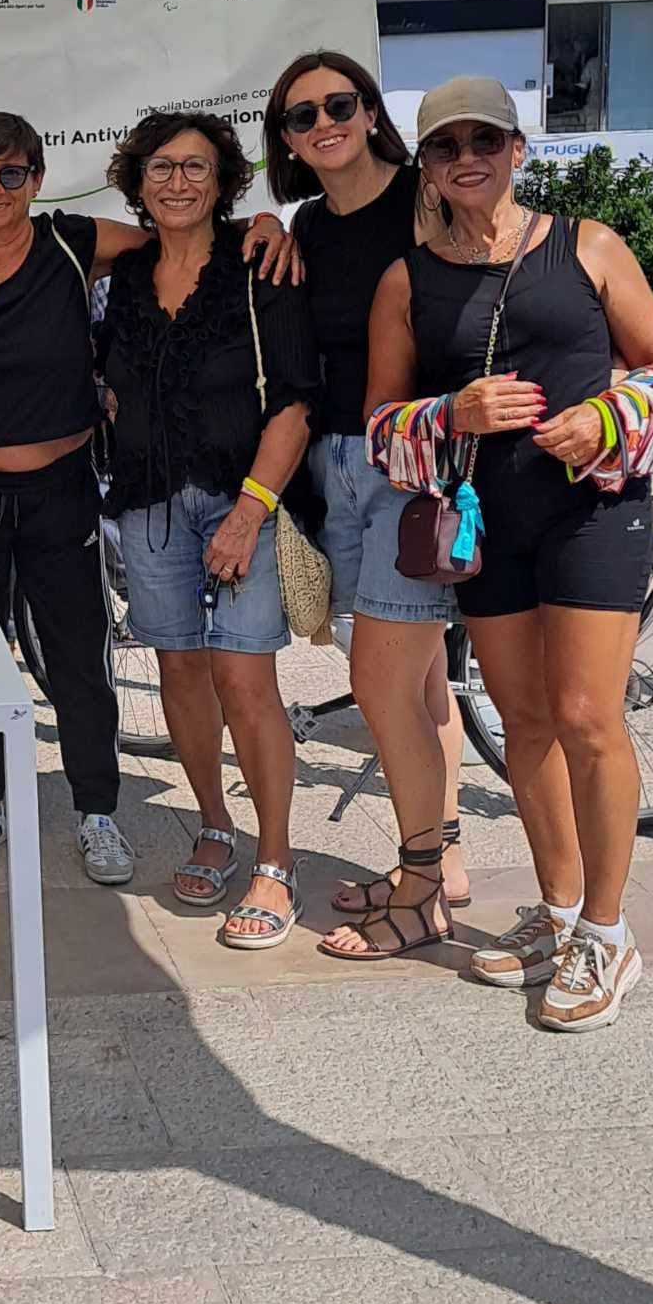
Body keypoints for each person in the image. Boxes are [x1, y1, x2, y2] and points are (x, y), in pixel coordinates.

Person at [365, 77, 653, 1029]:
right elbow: (380, 430)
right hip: (486, 522)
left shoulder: (588, 246)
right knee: (526, 723)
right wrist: (450, 412)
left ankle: (608, 933)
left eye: (485, 140)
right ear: (426, 165)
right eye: (445, 145)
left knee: (588, 717)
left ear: (517, 148)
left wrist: (607, 418)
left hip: (593, 510)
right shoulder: (406, 281)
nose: (467, 158)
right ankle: (559, 912)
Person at [0, 111, 294, 883]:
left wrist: (264, 225)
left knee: (79, 656)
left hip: (59, 490)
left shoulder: (73, 241)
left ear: (38, 179)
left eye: (12, 173)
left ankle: (96, 811)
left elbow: (181, 235)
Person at [259, 53, 472, 959]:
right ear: (286, 140)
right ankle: (443, 862)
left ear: (372, 111)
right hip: (336, 466)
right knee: (419, 681)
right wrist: (265, 225)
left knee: (385, 685)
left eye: (338, 105)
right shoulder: (306, 224)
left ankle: (420, 889)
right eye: (301, 116)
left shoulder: (426, 202)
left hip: (411, 467)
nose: (323, 124)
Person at [98, 109, 319, 947]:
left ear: (223, 180)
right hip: (150, 504)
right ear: (137, 182)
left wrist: (249, 512)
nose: (178, 182)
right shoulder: (127, 277)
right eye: (161, 167)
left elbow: (294, 402)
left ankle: (276, 860)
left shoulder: (261, 265)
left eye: (195, 166)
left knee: (245, 679)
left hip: (241, 501)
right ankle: (215, 825)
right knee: (181, 671)